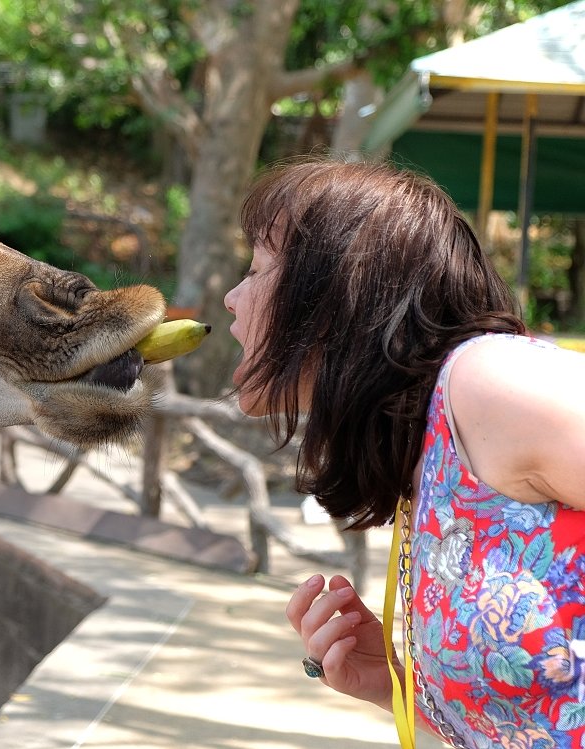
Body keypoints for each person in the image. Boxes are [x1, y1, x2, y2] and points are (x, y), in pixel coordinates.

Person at [223, 158, 585, 748]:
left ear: (336, 294)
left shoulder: (488, 380)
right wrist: (394, 685)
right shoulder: (430, 447)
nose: (233, 298)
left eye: (259, 267)